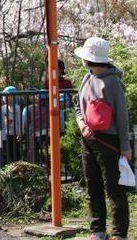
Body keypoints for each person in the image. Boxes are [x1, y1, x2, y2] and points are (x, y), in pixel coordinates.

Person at [73, 36, 131, 240]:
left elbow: (123, 117)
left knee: (115, 189)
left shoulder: (114, 83)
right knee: (93, 187)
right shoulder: (86, 78)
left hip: (109, 141)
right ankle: (97, 229)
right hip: (88, 140)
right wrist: (82, 125)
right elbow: (77, 107)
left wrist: (125, 147)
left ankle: (118, 232)